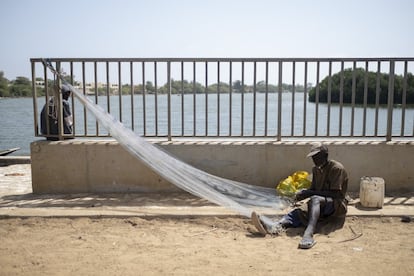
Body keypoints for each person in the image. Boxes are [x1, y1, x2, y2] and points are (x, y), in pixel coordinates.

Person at [251, 142, 348, 249]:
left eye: (317, 156)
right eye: (313, 157)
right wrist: (301, 195)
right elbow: (314, 190)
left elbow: (336, 194)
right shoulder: (315, 170)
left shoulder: (336, 169)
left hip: (336, 205)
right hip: (320, 203)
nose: (314, 160)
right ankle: (276, 226)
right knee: (298, 212)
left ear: (325, 155)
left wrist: (310, 193)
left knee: (315, 199)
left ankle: (309, 234)